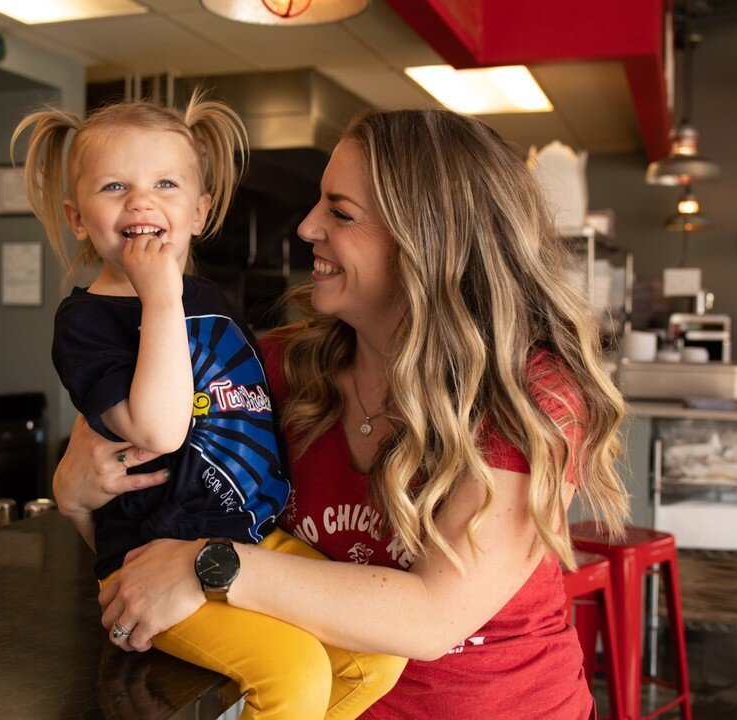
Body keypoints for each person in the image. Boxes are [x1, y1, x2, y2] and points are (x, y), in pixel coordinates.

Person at [54, 107, 630, 719]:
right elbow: (147, 532)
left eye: (340, 211)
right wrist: (75, 493)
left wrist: (210, 564)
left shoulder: (530, 396)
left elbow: (433, 616)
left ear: (426, 239)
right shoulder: (270, 367)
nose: (306, 227)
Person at [12, 96, 406, 720]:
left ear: (197, 211)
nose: (142, 202)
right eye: (115, 186)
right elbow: (161, 429)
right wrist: (161, 296)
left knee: (378, 654)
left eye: (165, 184)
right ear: (78, 218)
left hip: (252, 537)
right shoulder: (87, 321)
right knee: (294, 673)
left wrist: (174, 293)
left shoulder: (210, 298)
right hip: (154, 558)